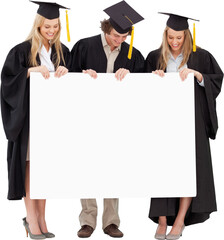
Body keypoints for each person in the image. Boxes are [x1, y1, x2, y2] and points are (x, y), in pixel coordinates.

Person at [145, 12, 223, 240]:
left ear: (187, 35)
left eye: (179, 37)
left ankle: (179, 220)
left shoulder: (201, 56)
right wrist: (154, 77)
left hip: (192, 123)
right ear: (165, 35)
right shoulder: (155, 57)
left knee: (189, 169)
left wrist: (198, 75)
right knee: (162, 170)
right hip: (163, 124)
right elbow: (140, 88)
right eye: (171, 37)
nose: (175, 42)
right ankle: (162, 220)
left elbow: (216, 80)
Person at [70, 1, 144, 238]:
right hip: (86, 119)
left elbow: (146, 87)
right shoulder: (84, 46)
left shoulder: (133, 54)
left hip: (117, 122)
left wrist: (131, 76)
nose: (119, 40)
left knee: (113, 168)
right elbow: (67, 79)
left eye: (124, 36)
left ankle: (111, 222)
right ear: (105, 28)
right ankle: (87, 221)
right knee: (87, 168)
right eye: (115, 35)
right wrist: (82, 76)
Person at [1, 1, 70, 239]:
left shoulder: (63, 52)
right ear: (38, 25)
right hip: (29, 122)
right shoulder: (21, 51)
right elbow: (7, 82)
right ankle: (31, 219)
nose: (51, 31)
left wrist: (65, 71)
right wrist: (30, 72)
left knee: (46, 170)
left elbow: (73, 85)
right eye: (46, 27)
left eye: (55, 26)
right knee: (30, 167)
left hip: (52, 124)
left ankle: (42, 217)